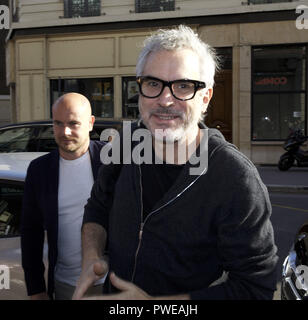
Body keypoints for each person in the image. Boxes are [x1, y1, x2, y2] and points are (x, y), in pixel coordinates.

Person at [73, 25, 278, 300]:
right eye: (153, 84)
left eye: (183, 86)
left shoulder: (234, 178)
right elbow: (98, 207)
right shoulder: (126, 142)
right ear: (140, 90)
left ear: (205, 98)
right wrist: (92, 257)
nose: (165, 100)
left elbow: (255, 288)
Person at [21, 92, 106, 300]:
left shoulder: (112, 161)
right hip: (66, 286)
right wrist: (36, 290)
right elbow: (31, 234)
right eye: (58, 123)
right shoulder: (39, 170)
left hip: (112, 284)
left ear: (90, 123)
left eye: (73, 123)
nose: (65, 131)